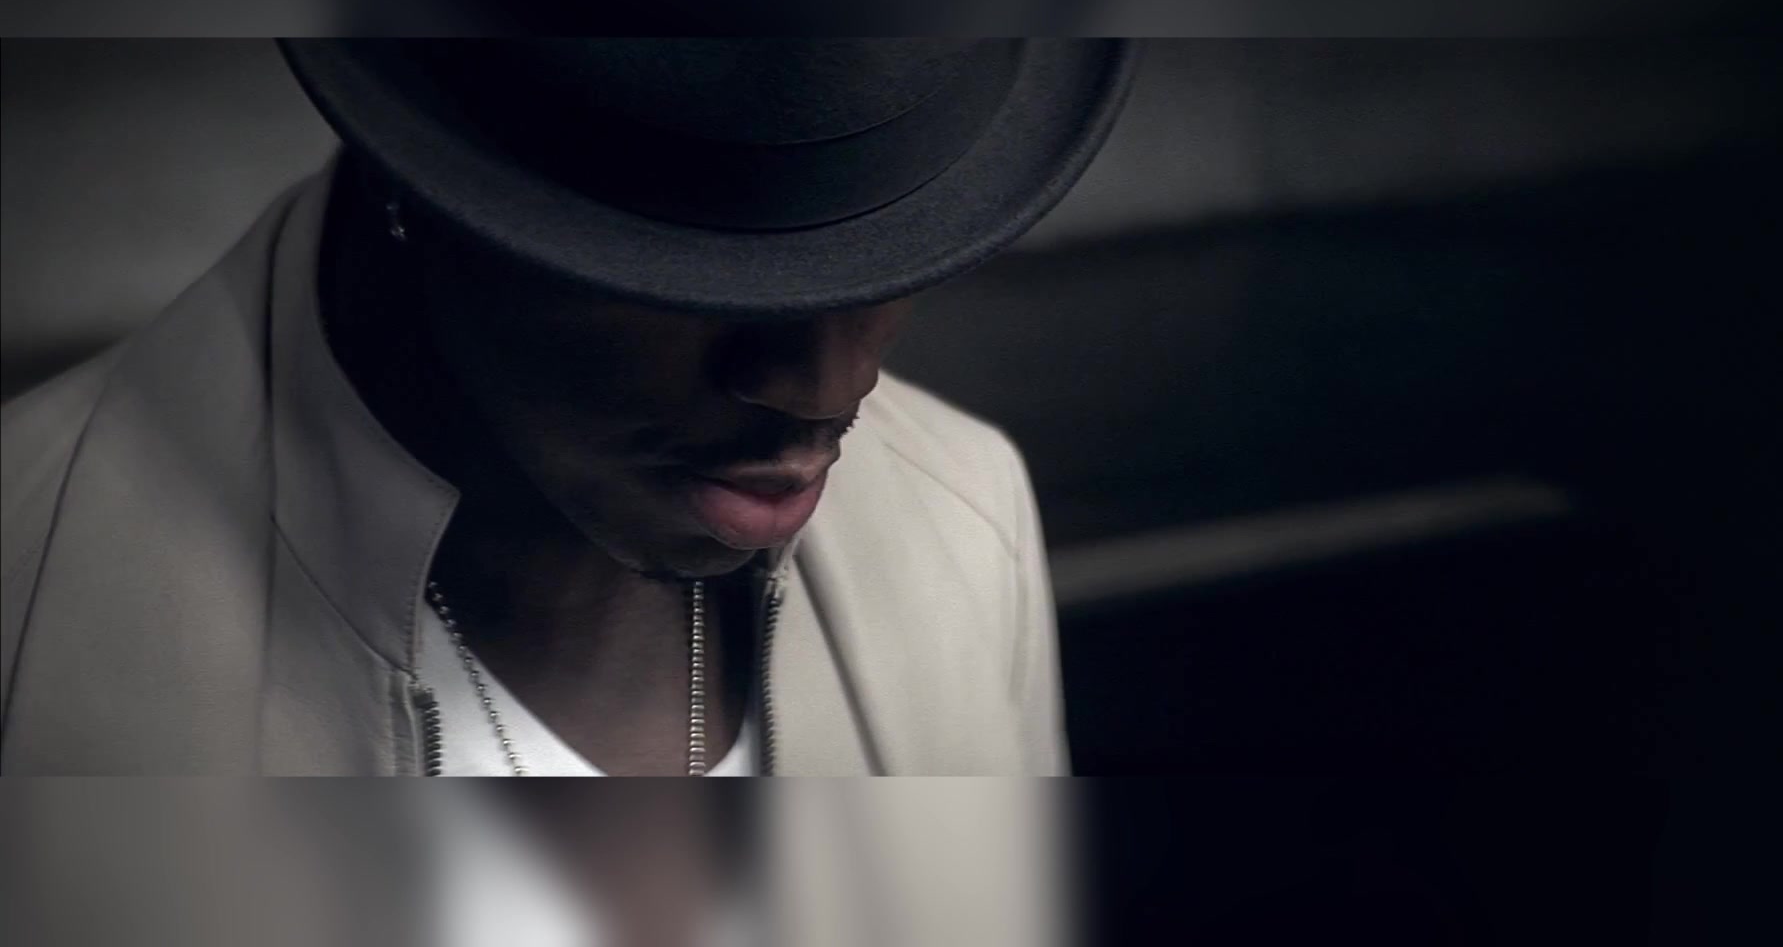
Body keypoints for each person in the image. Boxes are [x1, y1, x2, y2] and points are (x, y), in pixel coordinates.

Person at [0, 39, 1135, 775]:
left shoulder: (966, 518)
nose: (829, 389)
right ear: (419, 182)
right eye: (692, 267)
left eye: (888, 250)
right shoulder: (28, 599)